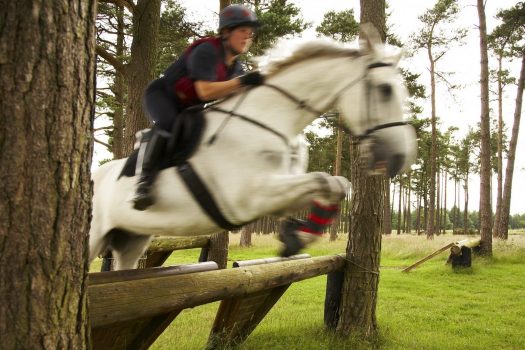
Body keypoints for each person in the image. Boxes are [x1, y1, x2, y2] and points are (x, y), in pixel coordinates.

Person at [131, 4, 265, 211]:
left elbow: (233, 96)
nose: (247, 37)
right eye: (243, 31)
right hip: (163, 95)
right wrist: (243, 82)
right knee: (168, 123)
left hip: (190, 106)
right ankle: (142, 184)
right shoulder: (207, 50)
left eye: (251, 33)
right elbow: (205, 91)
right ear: (226, 32)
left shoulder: (237, 68)